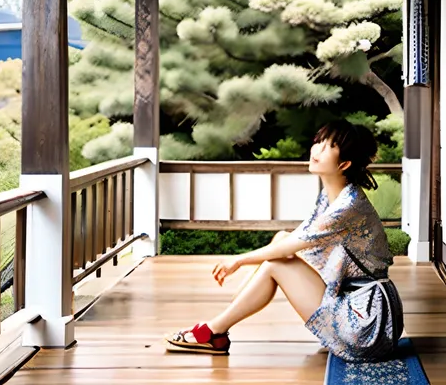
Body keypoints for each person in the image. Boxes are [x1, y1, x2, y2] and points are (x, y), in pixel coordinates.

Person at [166, 119, 404, 361]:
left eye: (326, 146)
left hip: (366, 323)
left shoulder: (347, 206)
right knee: (280, 240)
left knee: (276, 263)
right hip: (363, 306)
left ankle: (215, 330)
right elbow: (294, 238)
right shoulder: (333, 195)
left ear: (344, 164)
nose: (316, 150)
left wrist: (238, 260)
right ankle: (223, 320)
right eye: (317, 142)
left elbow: (294, 246)